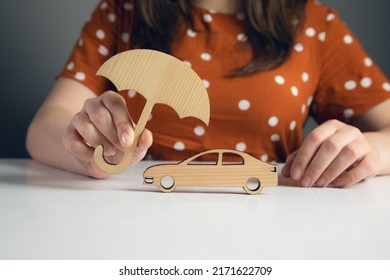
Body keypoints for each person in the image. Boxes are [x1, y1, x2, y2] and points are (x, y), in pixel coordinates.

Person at [26, 0, 390, 188]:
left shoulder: (315, 25)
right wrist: (84, 148)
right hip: (133, 217)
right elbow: (47, 125)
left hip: (272, 221)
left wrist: (369, 150)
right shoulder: (124, 11)